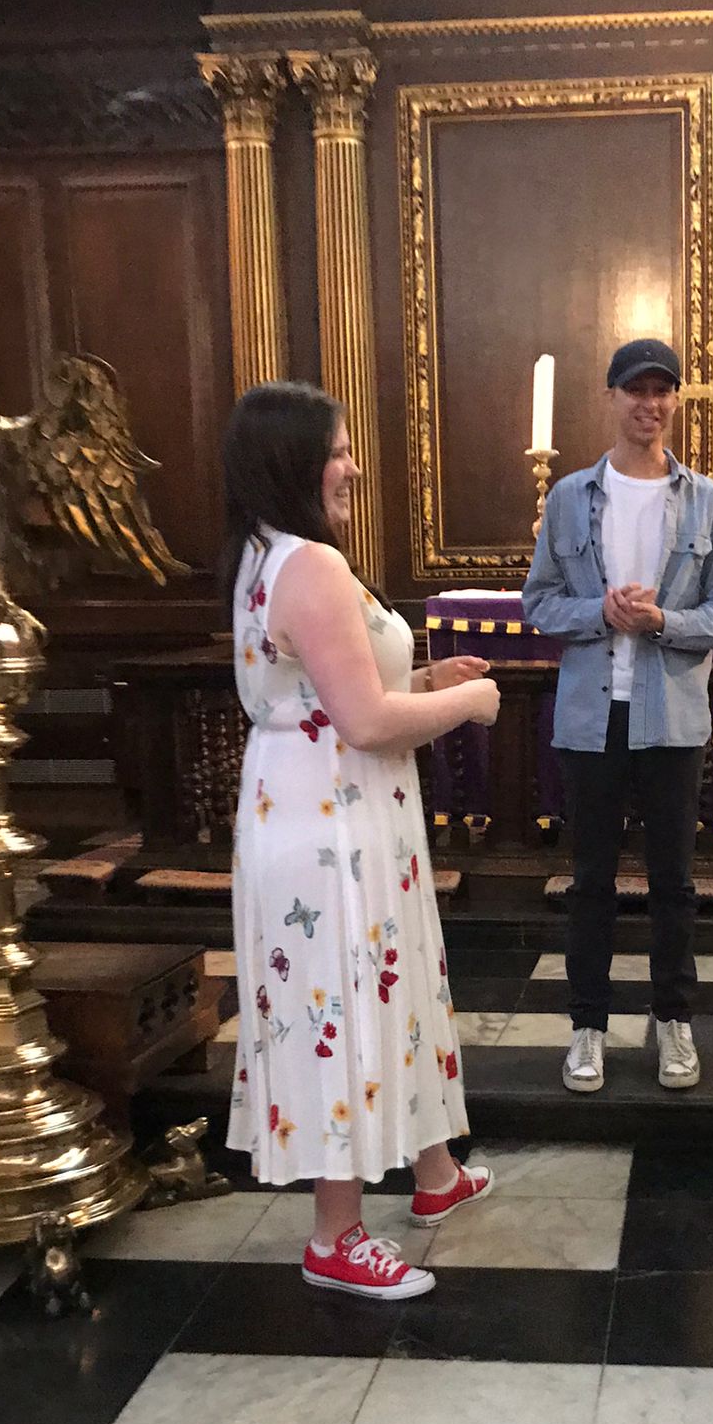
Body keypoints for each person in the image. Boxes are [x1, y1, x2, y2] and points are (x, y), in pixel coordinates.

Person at [224, 382, 500, 1299]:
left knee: (396, 982)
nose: (352, 466)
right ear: (295, 460)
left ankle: (434, 1176)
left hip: (332, 810)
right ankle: (335, 1236)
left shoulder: (278, 556)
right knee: (344, 1000)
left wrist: (427, 672)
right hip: (327, 825)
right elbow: (369, 722)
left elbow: (333, 691)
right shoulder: (310, 566)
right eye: (338, 450)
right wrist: (468, 702)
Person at [522, 337, 713, 1095]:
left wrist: (660, 624)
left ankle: (673, 1022)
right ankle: (587, 1026)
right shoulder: (569, 498)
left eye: (662, 391)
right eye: (635, 390)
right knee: (590, 880)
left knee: (674, 882)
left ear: (674, 401)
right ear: (612, 397)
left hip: (671, 720)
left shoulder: (708, 501)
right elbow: (539, 603)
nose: (649, 404)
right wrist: (602, 613)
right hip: (592, 719)